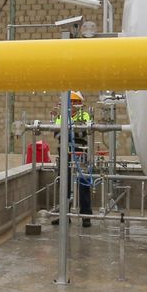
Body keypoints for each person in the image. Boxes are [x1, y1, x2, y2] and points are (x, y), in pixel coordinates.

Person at [53, 91, 94, 228]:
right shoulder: (61, 116)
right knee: (64, 184)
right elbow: (57, 133)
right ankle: (64, 215)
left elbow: (85, 132)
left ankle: (86, 216)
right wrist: (72, 131)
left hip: (80, 153)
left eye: (74, 102)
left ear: (78, 103)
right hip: (65, 154)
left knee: (83, 184)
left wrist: (70, 131)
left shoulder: (85, 115)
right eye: (70, 102)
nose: (72, 105)